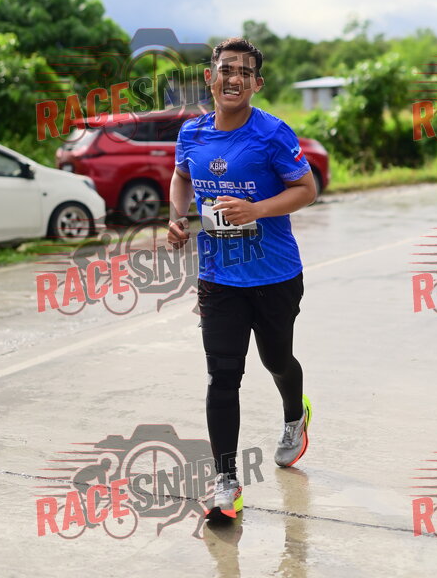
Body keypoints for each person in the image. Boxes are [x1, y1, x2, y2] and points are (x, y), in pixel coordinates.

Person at [167, 37, 316, 521]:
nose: (234, 78)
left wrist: (256, 209)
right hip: (218, 278)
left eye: (244, 72)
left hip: (274, 275)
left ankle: (295, 415)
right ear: (209, 77)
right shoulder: (191, 133)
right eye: (226, 69)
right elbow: (181, 176)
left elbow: (306, 188)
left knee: (276, 360)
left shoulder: (272, 133)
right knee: (223, 375)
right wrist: (176, 217)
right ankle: (225, 483)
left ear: (257, 83)